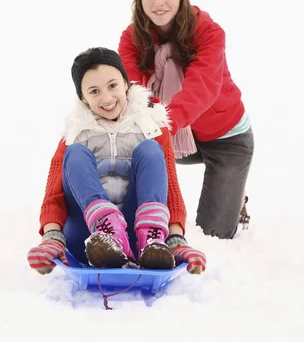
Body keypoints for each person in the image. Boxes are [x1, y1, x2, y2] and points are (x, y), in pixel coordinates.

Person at [27, 47, 206, 275]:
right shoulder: (74, 134)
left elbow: (169, 189)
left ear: (126, 83)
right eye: (94, 91)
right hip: (90, 239)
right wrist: (52, 238)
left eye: (113, 86)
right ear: (83, 98)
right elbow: (54, 195)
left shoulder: (152, 127)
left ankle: (152, 239)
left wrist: (177, 241)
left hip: (139, 236)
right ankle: (106, 226)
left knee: (150, 150)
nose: (107, 98)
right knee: (76, 154)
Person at [118, 0, 254, 240]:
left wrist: (162, 124)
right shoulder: (132, 38)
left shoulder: (208, 32)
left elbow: (200, 88)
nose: (158, 2)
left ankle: (233, 196)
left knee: (213, 235)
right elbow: (132, 91)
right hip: (173, 134)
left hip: (225, 137)